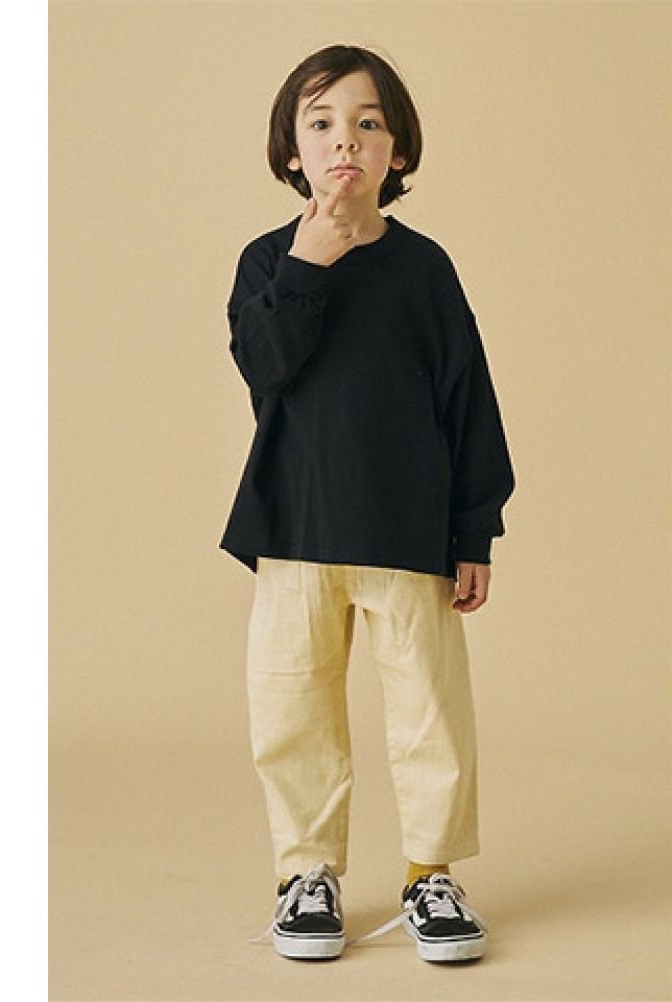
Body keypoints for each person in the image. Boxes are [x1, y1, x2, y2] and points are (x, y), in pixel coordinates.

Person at [221, 44, 516, 964]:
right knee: (292, 709)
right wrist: (310, 263)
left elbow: (467, 399)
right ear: (292, 152)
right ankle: (306, 874)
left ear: (398, 150)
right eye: (321, 123)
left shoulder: (424, 269)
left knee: (431, 710)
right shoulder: (268, 261)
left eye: (367, 122)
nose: (344, 140)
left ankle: (433, 874)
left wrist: (474, 529)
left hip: (407, 530)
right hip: (295, 527)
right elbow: (263, 366)